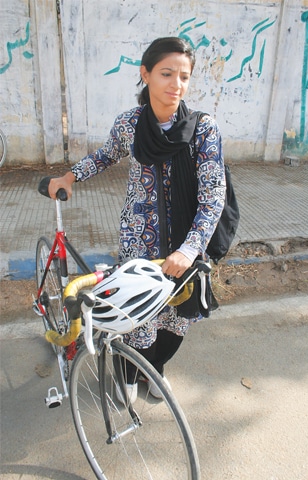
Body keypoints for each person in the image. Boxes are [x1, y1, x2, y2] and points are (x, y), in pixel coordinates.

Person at [48, 37, 226, 402]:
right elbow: (107, 155)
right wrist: (70, 176)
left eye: (184, 76)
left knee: (177, 319)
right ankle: (128, 374)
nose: (176, 84)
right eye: (166, 73)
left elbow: (213, 199)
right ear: (145, 74)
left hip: (184, 246)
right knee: (135, 316)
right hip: (139, 240)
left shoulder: (203, 129)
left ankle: (155, 369)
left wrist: (190, 249)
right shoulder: (130, 123)